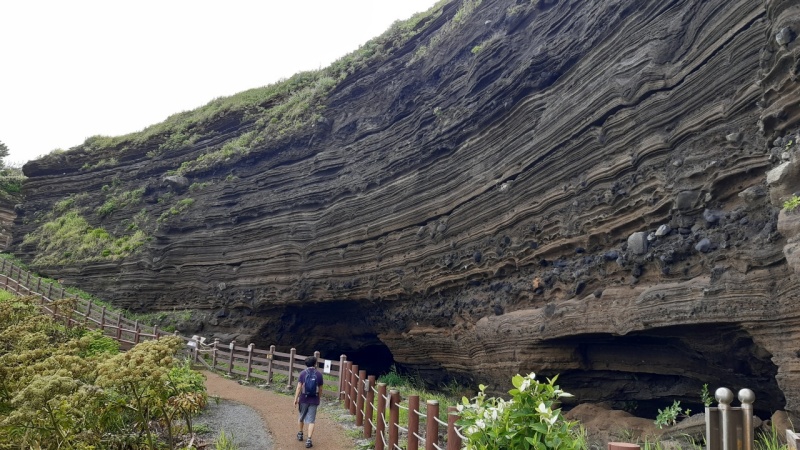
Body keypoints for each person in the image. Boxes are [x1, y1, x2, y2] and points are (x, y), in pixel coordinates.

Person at [294, 355, 323, 448]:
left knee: (301, 417)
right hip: (314, 399)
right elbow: (320, 389)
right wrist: (319, 398)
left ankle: (300, 433)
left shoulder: (303, 373)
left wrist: (295, 398)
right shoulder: (319, 374)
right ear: (315, 364)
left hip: (303, 398)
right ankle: (309, 439)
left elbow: (299, 387)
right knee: (311, 420)